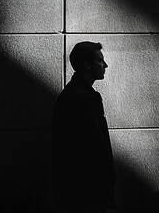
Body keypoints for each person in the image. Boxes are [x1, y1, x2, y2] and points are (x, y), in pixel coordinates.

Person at [52, 41, 115, 213]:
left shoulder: (74, 94)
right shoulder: (82, 98)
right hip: (87, 192)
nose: (106, 65)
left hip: (79, 191)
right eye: (100, 61)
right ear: (87, 65)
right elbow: (95, 148)